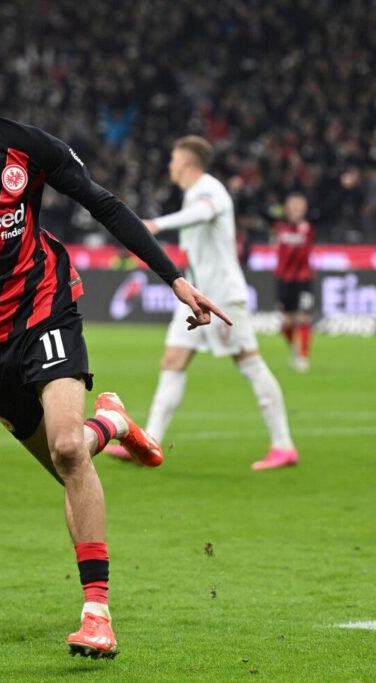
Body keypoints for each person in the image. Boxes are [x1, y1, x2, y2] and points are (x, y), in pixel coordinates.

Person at [0, 37, 230, 659]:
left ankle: (97, 614)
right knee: (69, 461)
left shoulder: (26, 146)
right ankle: (111, 423)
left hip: (42, 308)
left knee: (66, 448)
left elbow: (103, 203)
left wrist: (175, 279)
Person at [106, 135, 298, 471]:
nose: (170, 166)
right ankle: (149, 442)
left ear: (186, 162)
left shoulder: (209, 190)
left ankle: (283, 446)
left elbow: (203, 213)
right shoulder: (194, 193)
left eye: (173, 160)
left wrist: (155, 225)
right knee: (173, 360)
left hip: (222, 295)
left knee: (249, 361)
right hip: (196, 294)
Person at [273, 192, 315, 371]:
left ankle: (303, 358)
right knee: (287, 323)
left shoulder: (309, 227)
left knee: (303, 317)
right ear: (287, 208)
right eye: (294, 205)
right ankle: (295, 348)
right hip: (284, 279)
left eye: (300, 205)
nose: (297, 209)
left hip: (304, 279)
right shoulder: (280, 227)